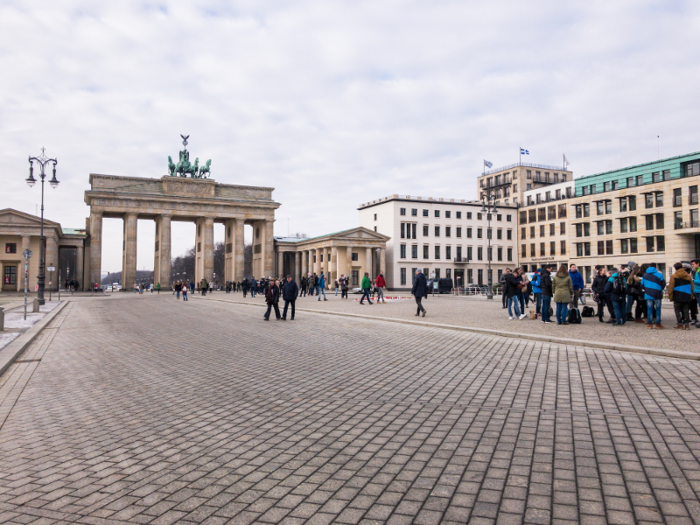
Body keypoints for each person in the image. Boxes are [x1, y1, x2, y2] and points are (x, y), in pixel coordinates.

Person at [669, 262, 694, 330]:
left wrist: (671, 297)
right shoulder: (688, 276)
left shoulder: (673, 276)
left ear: (675, 268)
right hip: (686, 295)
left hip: (677, 295)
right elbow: (692, 287)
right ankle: (687, 325)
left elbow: (671, 287)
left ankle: (680, 324)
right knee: (686, 310)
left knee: (678, 310)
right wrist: (691, 295)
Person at [641, 262, 665, 330]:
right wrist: (660, 289)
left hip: (648, 294)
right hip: (657, 293)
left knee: (649, 309)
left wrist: (646, 289)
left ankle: (650, 324)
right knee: (658, 309)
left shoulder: (645, 275)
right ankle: (658, 324)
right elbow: (663, 283)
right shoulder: (659, 274)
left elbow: (642, 284)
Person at [692, 259, 700, 328]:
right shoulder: (697, 271)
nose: (692, 266)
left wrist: (694, 280)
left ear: (698, 264)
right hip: (697, 291)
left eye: (693, 264)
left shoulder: (699, 271)